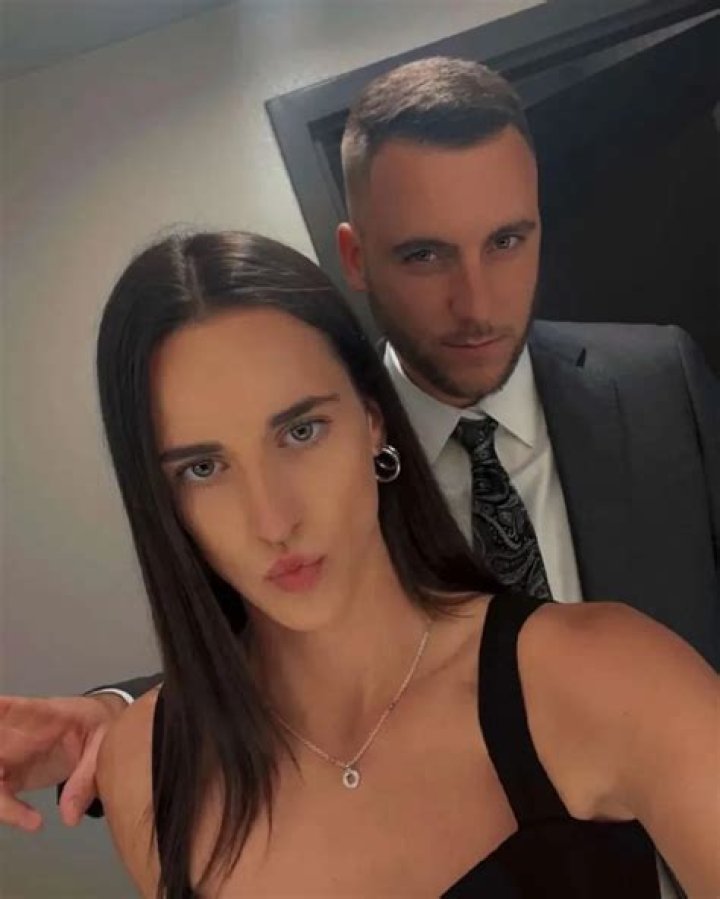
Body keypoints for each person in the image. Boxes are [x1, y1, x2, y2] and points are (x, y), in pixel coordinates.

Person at [1, 56, 718, 841]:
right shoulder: (319, 451)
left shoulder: (659, 378)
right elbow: (271, 649)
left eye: (508, 239)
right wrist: (119, 713)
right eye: (424, 254)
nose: (477, 302)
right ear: (355, 256)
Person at [73, 230, 720, 896]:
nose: (272, 520)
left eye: (301, 431)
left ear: (373, 419)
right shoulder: (145, 771)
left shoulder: (605, 677)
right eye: (204, 468)